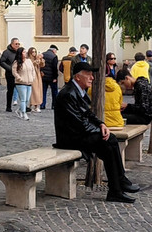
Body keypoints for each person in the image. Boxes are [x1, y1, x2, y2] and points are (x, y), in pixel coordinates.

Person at [53, 61, 139, 203]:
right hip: (70, 138)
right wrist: (99, 132)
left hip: (78, 134)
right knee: (108, 140)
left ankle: (117, 186)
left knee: (110, 141)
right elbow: (78, 123)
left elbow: (88, 114)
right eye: (88, 75)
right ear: (78, 77)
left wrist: (101, 125)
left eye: (92, 75)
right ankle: (118, 185)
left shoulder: (78, 91)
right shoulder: (68, 93)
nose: (92, 78)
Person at [11, 45, 37, 120]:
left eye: (25, 52)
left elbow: (33, 70)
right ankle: (24, 113)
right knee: (23, 99)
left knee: (27, 99)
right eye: (24, 52)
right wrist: (19, 78)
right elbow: (14, 72)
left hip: (29, 83)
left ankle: (21, 110)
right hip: (21, 83)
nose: (25, 53)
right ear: (20, 53)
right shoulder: (17, 62)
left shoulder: (29, 61)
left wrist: (33, 78)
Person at [0, 39, 21, 113]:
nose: (17, 45)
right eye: (16, 44)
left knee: (21, 90)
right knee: (10, 90)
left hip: (19, 74)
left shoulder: (19, 52)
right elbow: (1, 61)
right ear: (12, 44)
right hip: (10, 74)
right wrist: (10, 69)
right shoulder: (6, 52)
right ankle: (8, 106)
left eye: (18, 44)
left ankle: (24, 106)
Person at [40, 44, 60, 110]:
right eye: (56, 51)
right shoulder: (54, 56)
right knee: (54, 92)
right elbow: (55, 68)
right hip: (51, 77)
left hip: (43, 76)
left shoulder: (43, 54)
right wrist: (55, 77)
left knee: (43, 91)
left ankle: (42, 105)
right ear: (54, 50)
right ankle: (54, 105)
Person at [27, 46, 45, 113]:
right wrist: (36, 61)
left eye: (35, 52)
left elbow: (42, 65)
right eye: (33, 52)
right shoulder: (28, 59)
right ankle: (33, 105)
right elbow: (31, 65)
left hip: (38, 76)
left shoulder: (36, 58)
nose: (34, 53)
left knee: (38, 90)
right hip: (32, 77)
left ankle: (36, 105)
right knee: (34, 91)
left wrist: (41, 60)